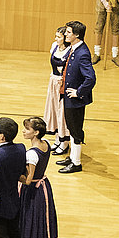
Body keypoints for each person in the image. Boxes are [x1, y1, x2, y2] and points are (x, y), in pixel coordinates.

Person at [17, 116, 59, 238]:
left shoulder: (31, 154)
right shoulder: (46, 143)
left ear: (35, 132)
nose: (23, 131)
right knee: (38, 223)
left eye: (27, 129)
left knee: (32, 225)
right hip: (43, 187)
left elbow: (28, 180)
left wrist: (14, 174)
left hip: (33, 192)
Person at [58, 20, 96, 173]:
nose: (65, 34)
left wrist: (78, 92)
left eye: (68, 32)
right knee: (72, 128)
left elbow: (90, 78)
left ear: (77, 35)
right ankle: (73, 157)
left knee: (75, 130)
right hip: (69, 98)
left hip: (75, 100)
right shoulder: (75, 49)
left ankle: (76, 163)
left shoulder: (82, 53)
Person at [43, 26, 71, 156]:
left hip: (62, 84)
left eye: (59, 37)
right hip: (53, 82)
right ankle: (57, 139)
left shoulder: (70, 51)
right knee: (53, 110)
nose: (56, 39)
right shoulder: (54, 46)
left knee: (62, 113)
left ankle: (64, 142)